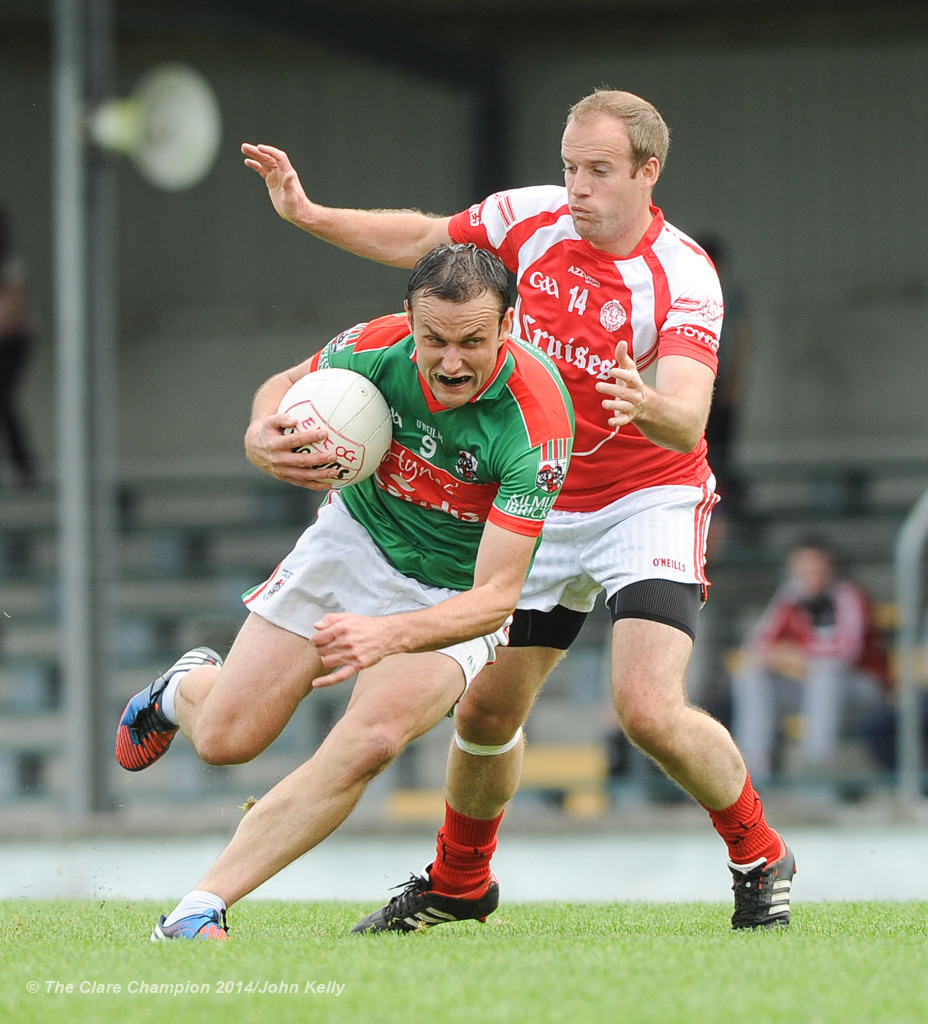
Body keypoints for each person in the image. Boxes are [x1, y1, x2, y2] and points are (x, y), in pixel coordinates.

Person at [242, 87, 795, 933]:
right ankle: (461, 884)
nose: (577, 187)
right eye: (570, 166)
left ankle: (760, 853)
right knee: (487, 710)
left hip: (642, 496)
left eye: (599, 171)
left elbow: (688, 414)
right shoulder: (529, 219)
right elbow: (429, 242)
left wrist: (640, 399)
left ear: (649, 172)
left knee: (647, 708)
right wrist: (309, 214)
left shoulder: (682, 274)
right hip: (533, 502)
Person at [114, 243, 574, 940]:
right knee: (228, 741)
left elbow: (496, 599)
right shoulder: (373, 347)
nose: (451, 362)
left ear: (508, 326)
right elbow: (283, 385)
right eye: (435, 341)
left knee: (372, 740)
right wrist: (259, 433)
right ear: (409, 322)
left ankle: (198, 906)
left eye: (473, 342)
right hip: (351, 544)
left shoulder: (537, 424)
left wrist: (388, 635)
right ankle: (184, 691)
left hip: (453, 593)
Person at [731, 538, 891, 787]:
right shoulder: (790, 596)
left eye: (816, 569)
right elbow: (756, 645)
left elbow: (848, 651)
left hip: (862, 689)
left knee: (825, 674)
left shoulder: (849, 595)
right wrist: (777, 656)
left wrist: (799, 655)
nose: (809, 576)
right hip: (808, 688)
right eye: (802, 570)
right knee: (751, 675)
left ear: (830, 569)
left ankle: (817, 774)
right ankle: (752, 773)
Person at [0, 207, 37, 486]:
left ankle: (25, 467)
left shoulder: (9, 262)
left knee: (4, 399)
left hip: (13, 340)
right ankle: (24, 466)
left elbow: (12, 311)